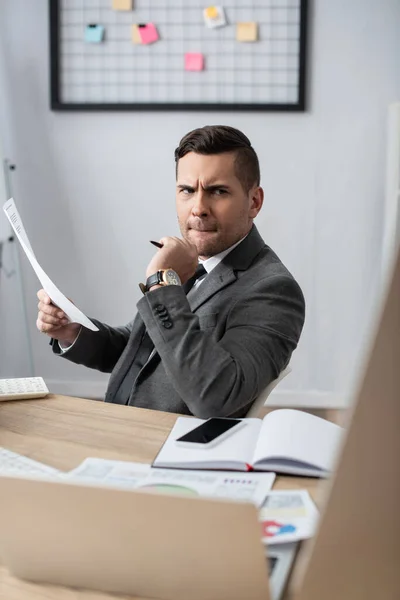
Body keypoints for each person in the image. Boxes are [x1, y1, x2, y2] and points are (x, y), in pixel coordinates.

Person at [36, 125, 305, 418]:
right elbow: (138, 349)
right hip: (117, 428)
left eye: (218, 191)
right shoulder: (191, 262)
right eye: (187, 190)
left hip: (168, 453)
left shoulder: (274, 290)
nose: (199, 208)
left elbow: (217, 397)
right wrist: (73, 331)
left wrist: (163, 284)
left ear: (254, 202)